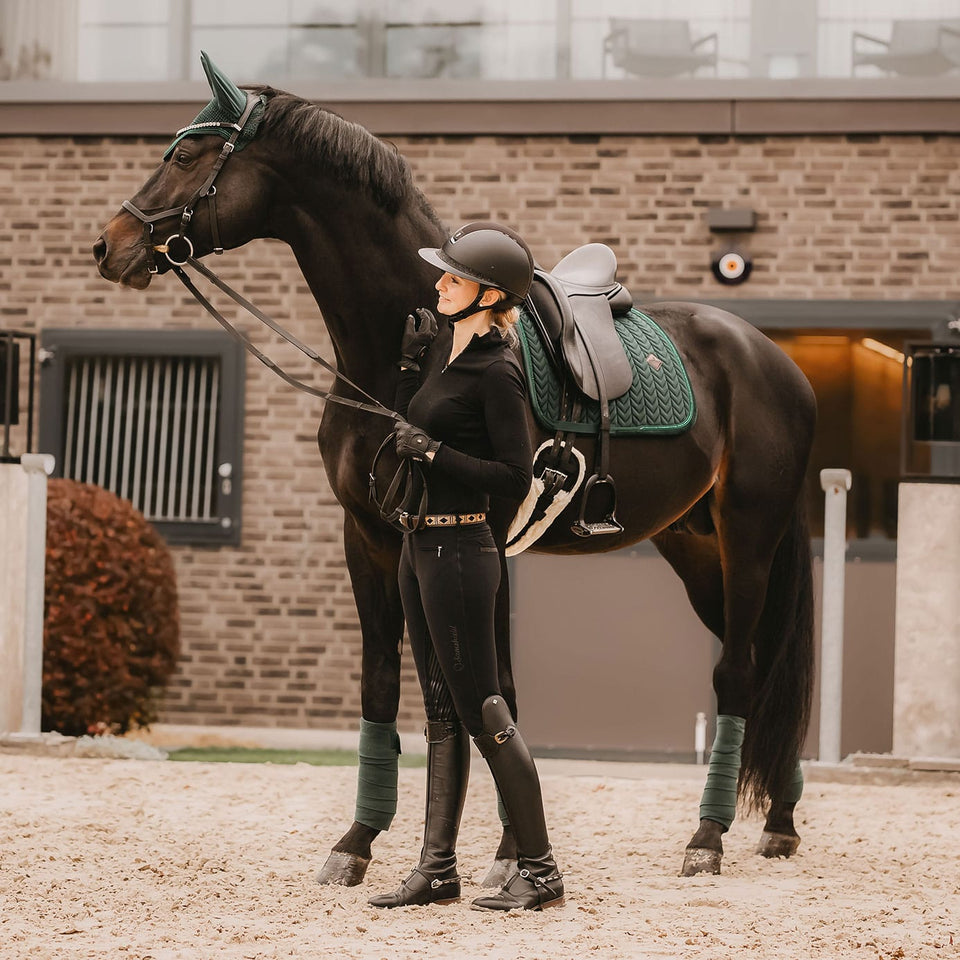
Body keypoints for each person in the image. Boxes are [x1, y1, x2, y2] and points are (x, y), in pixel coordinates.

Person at [368, 221, 565, 912]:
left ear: (487, 294)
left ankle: (540, 870)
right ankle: (437, 869)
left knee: (485, 709)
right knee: (442, 713)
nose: (438, 283)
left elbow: (515, 477)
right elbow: (405, 435)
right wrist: (405, 372)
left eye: (452, 277)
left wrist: (435, 455)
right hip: (419, 547)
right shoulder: (445, 360)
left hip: (461, 550)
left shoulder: (498, 370)